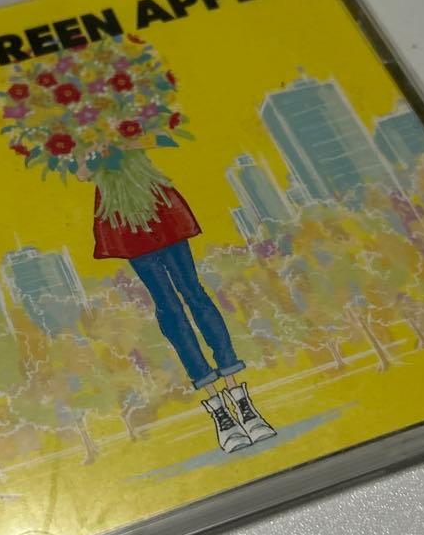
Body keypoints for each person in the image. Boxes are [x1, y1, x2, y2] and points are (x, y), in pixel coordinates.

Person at [76, 146, 275, 452]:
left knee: (195, 295)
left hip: (154, 203)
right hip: (125, 216)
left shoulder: (112, 125)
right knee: (169, 307)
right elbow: (82, 172)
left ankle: (239, 397)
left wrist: (114, 141)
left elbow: (142, 139)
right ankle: (218, 407)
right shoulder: (78, 132)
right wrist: (93, 150)